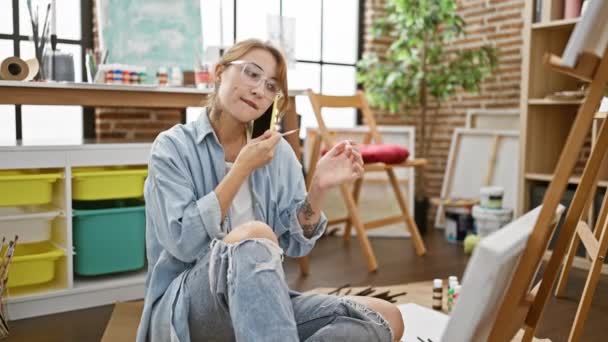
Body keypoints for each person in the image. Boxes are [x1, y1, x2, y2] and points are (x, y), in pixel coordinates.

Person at [136, 39, 405, 342]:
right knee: (255, 236)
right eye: (251, 74)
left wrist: (318, 187)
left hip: (259, 307)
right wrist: (241, 169)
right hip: (189, 311)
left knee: (385, 317)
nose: (259, 90)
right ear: (219, 72)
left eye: (271, 86)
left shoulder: (278, 154)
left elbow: (296, 245)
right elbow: (183, 242)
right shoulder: (172, 147)